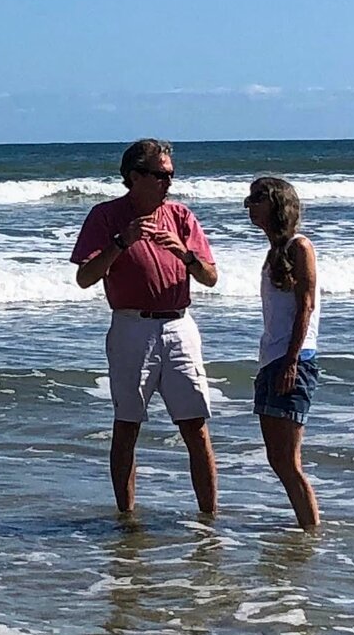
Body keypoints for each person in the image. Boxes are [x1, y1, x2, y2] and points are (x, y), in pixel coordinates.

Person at [71, 139, 220, 514]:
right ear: (134, 176)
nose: (168, 182)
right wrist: (122, 242)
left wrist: (183, 254)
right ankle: (126, 518)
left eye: (170, 175)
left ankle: (209, 519)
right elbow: (85, 278)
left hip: (179, 325)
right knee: (127, 425)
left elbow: (211, 278)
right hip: (131, 327)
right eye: (160, 175)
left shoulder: (181, 217)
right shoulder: (106, 216)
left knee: (196, 426)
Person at [244, 176, 322, 530]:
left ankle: (312, 531)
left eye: (257, 199)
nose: (249, 206)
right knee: (276, 459)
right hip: (272, 359)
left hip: (294, 361)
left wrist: (291, 360)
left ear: (277, 204)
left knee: (288, 461)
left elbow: (305, 306)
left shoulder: (299, 246)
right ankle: (306, 528)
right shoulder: (274, 251)